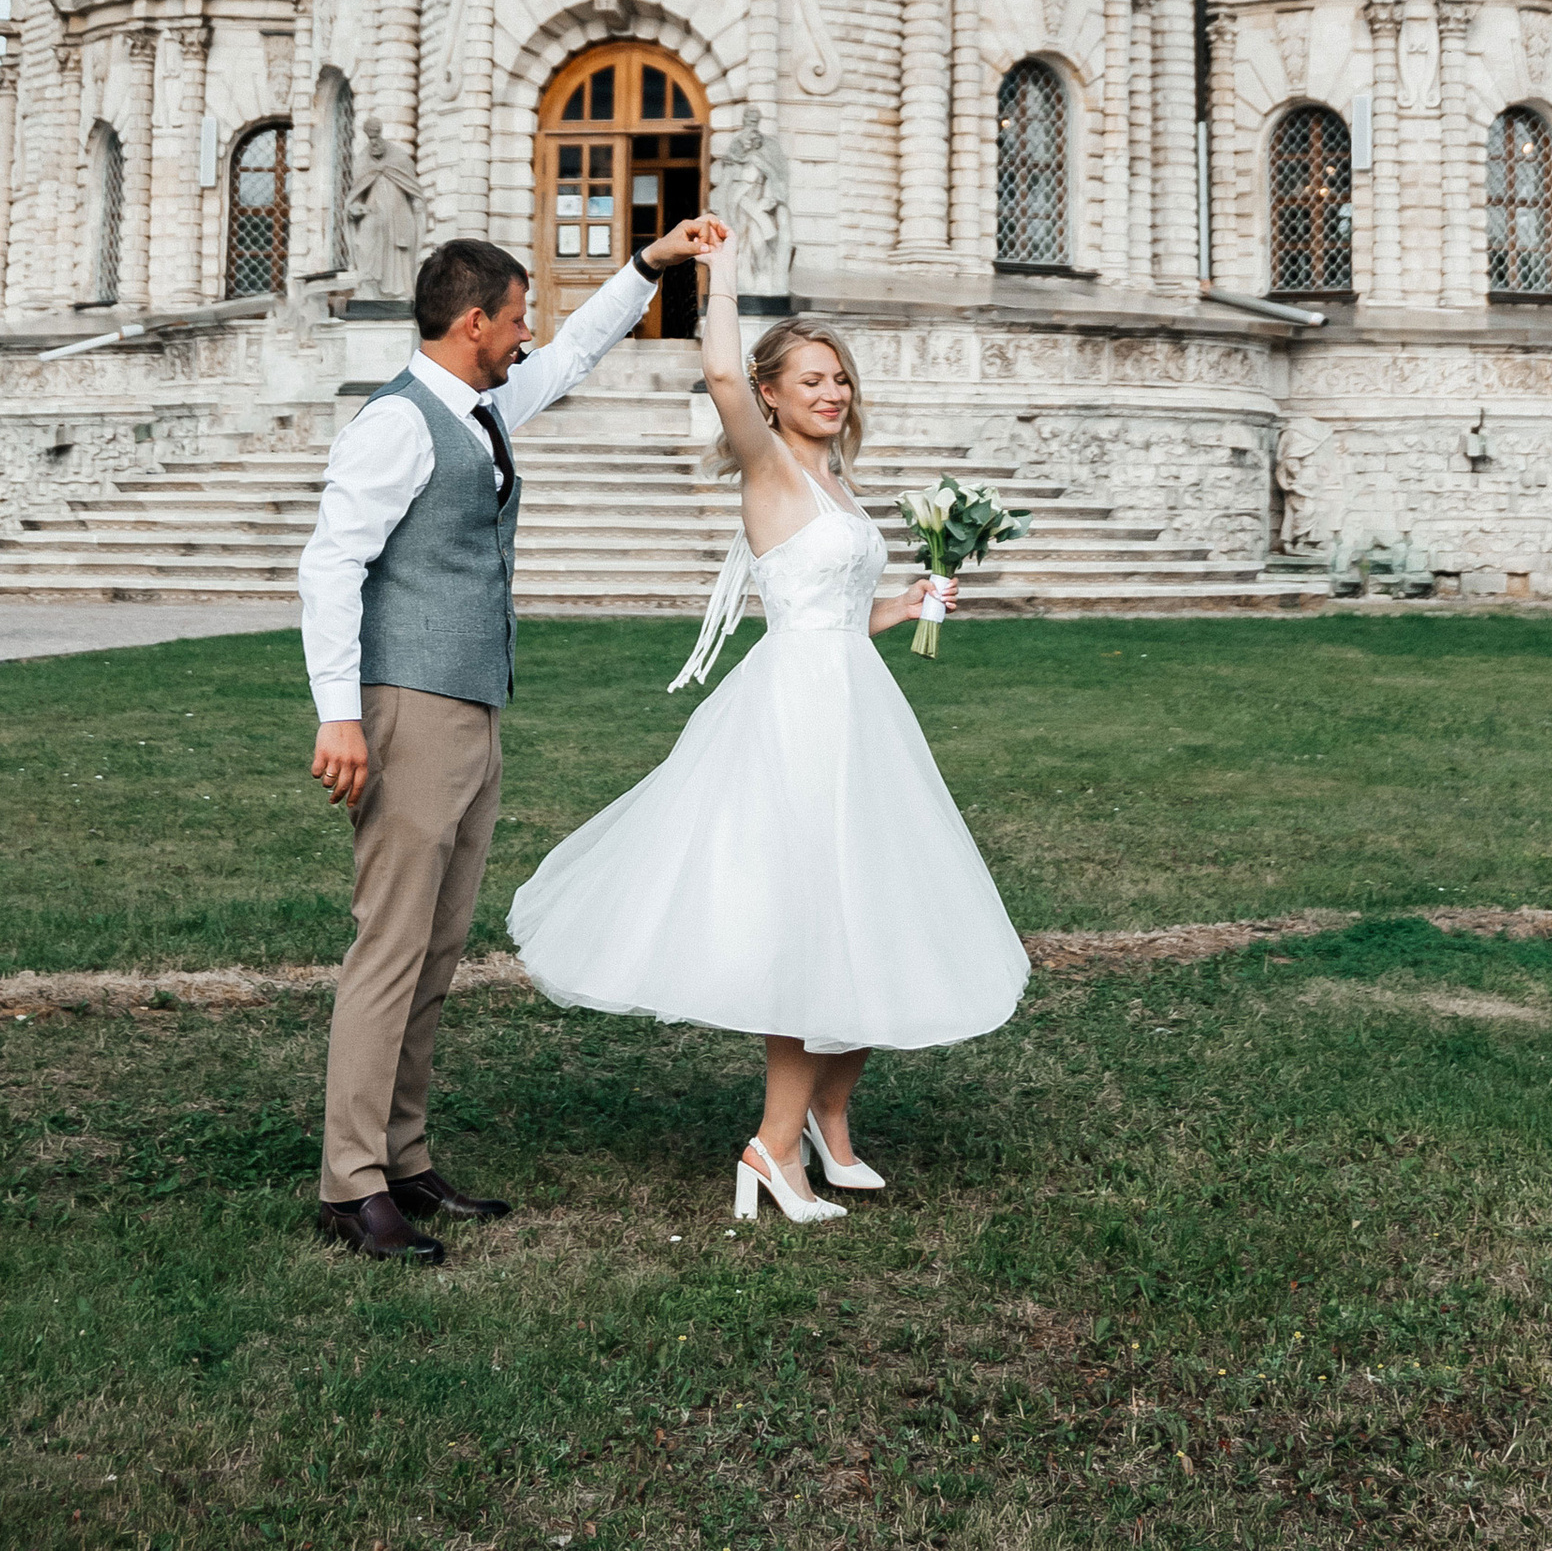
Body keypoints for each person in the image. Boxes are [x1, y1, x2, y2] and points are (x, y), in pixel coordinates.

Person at [508, 218, 1028, 1225]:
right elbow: (715, 377)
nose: (830, 394)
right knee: (809, 928)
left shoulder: (834, 481)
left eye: (839, 380)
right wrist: (724, 270)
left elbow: (839, 614)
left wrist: (914, 603)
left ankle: (828, 1125)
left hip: (855, 710)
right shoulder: (766, 466)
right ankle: (772, 1148)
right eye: (809, 380)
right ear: (774, 393)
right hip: (793, 715)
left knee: (877, 912)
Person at [300, 214, 707, 1264]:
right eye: (517, 316)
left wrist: (647, 268)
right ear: (471, 321)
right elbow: (330, 566)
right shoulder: (396, 424)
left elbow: (572, 357)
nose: (530, 333)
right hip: (407, 706)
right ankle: (350, 1184)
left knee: (437, 945)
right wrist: (339, 712)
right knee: (390, 944)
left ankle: (403, 1155)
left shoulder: (479, 406)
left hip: (473, 701)